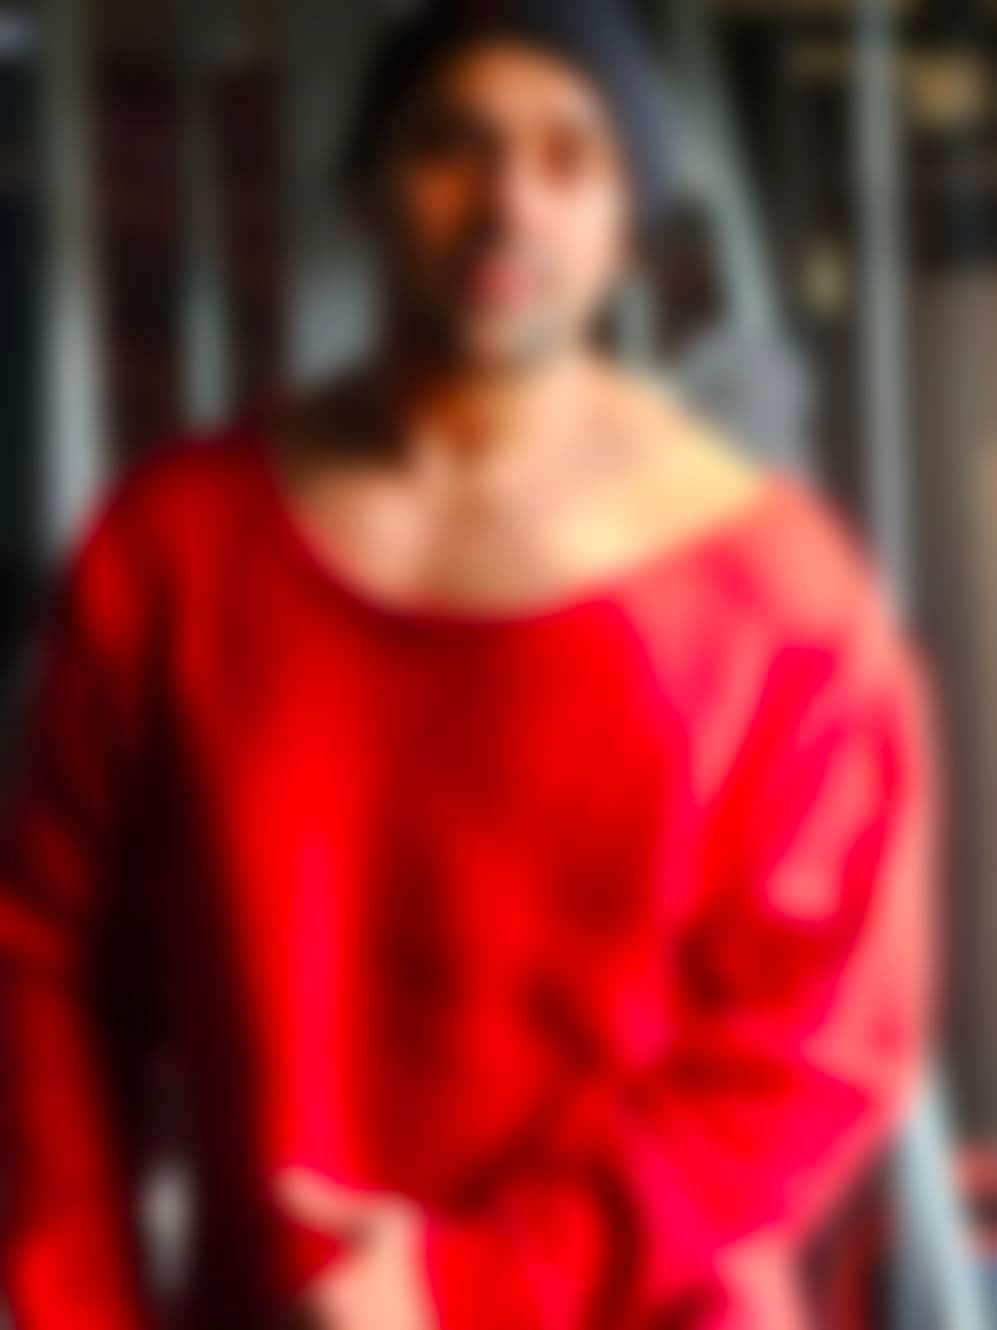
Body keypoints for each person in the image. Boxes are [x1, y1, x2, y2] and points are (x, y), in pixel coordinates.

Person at [0, 2, 936, 1328]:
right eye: (454, 144)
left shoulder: (781, 597)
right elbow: (50, 973)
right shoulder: (170, 554)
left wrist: (473, 1280)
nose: (508, 202)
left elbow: (819, 1050)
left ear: (627, 219)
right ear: (367, 187)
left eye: (568, 156)